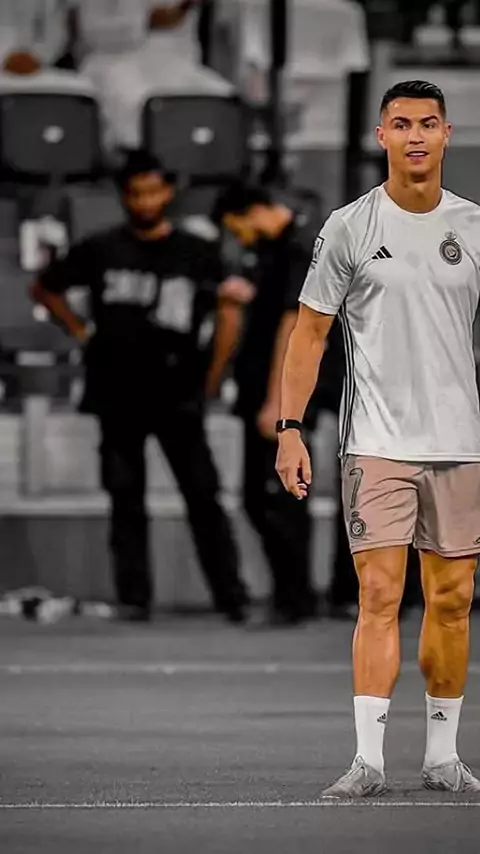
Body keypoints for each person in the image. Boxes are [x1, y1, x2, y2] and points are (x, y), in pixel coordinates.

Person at [276, 79, 480, 796]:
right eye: (402, 123)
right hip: (377, 442)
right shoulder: (350, 227)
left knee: (451, 601)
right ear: (381, 135)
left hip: (462, 445)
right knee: (380, 595)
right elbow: (308, 334)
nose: (415, 135)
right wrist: (289, 429)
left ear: (447, 133)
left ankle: (442, 758)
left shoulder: (474, 226)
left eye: (428, 123)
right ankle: (368, 761)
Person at [31, 149, 251, 624]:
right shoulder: (101, 248)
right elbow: (45, 287)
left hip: (178, 391)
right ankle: (134, 597)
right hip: (117, 390)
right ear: (123, 196)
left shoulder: (196, 253)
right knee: (125, 498)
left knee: (203, 495)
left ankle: (231, 596)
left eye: (153, 191)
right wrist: (80, 330)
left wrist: (211, 380)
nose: (146, 201)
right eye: (136, 193)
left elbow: (228, 311)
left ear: (168, 192)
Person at [207, 183, 319, 626]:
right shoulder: (271, 254)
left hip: (279, 399)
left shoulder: (297, 251)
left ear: (251, 212)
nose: (239, 238)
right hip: (261, 390)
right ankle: (291, 594)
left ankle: (295, 597)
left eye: (237, 228)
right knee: (264, 497)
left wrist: (280, 404)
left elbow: (294, 326)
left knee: (276, 497)